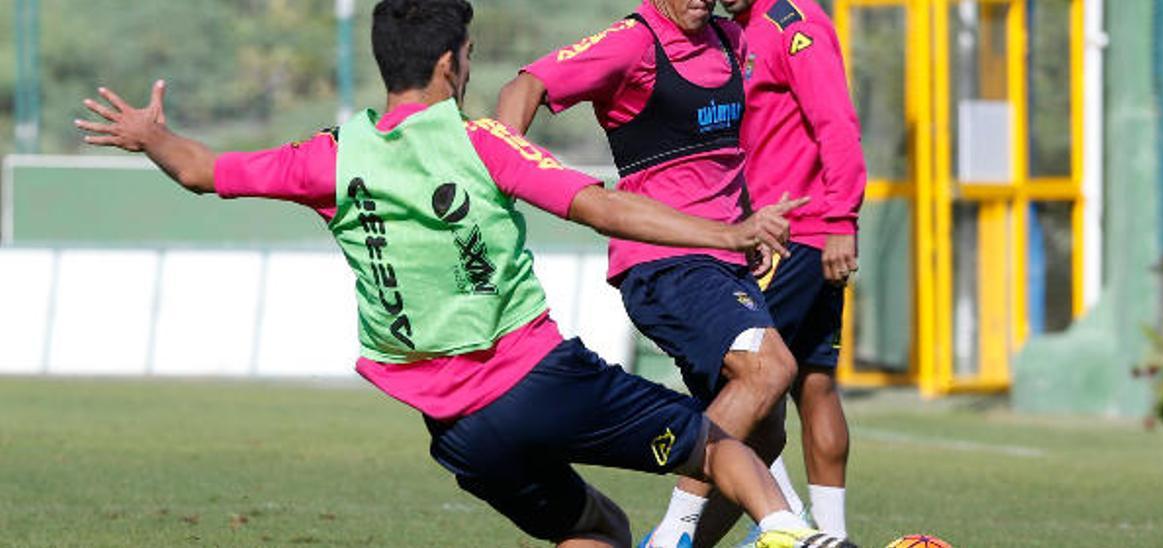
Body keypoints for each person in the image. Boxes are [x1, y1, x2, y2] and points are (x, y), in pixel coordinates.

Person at [74, 2, 853, 547]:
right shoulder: (483, 142)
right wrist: (729, 230)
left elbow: (205, 172)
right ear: (454, 62)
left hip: (458, 433)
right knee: (721, 446)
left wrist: (152, 135)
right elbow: (602, 208)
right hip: (543, 381)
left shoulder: (329, 154)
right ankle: (793, 534)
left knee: (595, 530)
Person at [495, 1, 814, 546]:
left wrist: (745, 222)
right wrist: (502, 170)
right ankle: (675, 532)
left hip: (727, 260)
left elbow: (723, 156)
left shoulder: (730, 40)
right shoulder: (631, 42)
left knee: (763, 433)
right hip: (663, 261)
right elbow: (525, 86)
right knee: (768, 369)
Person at [720, 0, 868, 542]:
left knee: (743, 376)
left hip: (791, 238)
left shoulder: (793, 25)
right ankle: (830, 536)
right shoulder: (735, 29)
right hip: (795, 233)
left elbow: (836, 121)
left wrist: (841, 220)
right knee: (813, 381)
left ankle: (791, 529)